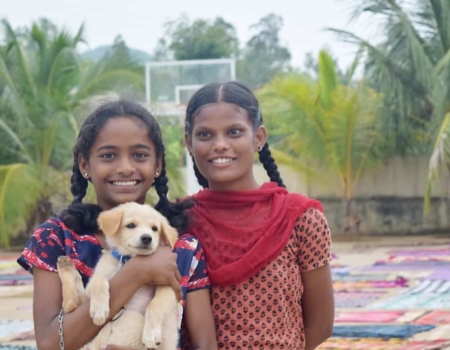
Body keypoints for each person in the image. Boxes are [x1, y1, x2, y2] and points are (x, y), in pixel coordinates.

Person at [17, 100, 217, 350]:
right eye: (108, 155)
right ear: (85, 165)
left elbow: (205, 344)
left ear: (158, 165)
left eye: (140, 155)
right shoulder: (57, 238)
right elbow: (49, 343)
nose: (125, 168)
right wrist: (136, 273)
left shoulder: (183, 247)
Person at [183, 82, 335, 350]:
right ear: (189, 143)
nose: (220, 145)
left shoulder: (300, 218)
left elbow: (321, 324)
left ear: (259, 138)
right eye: (205, 135)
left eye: (234, 132)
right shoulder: (177, 221)